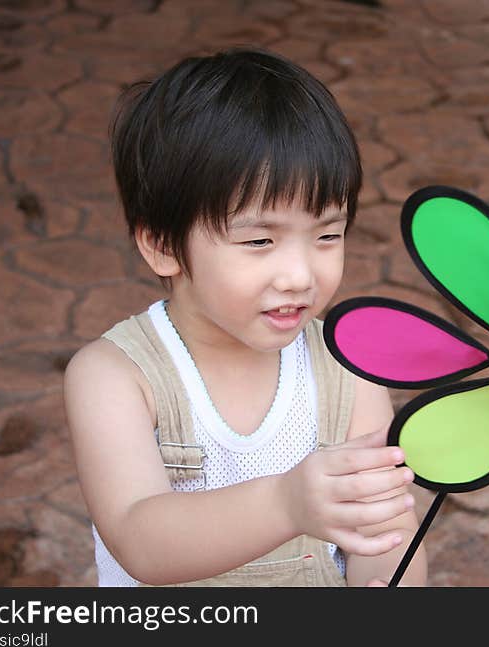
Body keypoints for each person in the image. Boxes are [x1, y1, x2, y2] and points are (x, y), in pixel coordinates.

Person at [63, 47, 427, 587]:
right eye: (260, 240)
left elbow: (386, 530)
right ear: (162, 245)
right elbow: (140, 540)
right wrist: (285, 503)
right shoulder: (114, 377)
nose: (300, 275)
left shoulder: (347, 368)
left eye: (328, 234)